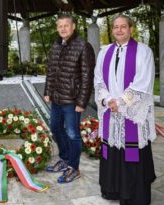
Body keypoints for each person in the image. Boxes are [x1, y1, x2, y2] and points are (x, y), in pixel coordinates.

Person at [94, 14, 156, 205]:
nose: (119, 30)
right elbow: (98, 80)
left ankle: (135, 196)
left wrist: (119, 102)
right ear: (112, 30)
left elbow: (142, 84)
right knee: (113, 148)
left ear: (131, 29)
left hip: (131, 112)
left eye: (123, 27)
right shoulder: (104, 52)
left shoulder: (143, 52)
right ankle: (113, 190)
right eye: (115, 27)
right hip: (112, 112)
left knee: (133, 149)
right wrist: (106, 100)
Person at [44, 14, 95, 183]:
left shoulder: (83, 46)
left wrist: (82, 102)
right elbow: (50, 71)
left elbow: (87, 77)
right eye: (60, 26)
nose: (63, 29)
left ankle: (74, 167)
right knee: (56, 128)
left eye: (66, 25)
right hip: (57, 98)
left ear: (73, 27)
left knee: (72, 134)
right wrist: (47, 91)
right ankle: (65, 159)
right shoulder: (56, 46)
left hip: (73, 101)